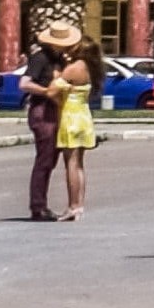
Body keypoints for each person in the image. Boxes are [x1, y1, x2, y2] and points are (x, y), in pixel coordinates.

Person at [19, 19, 82, 224]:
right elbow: (25, 83)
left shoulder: (59, 59)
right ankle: (37, 206)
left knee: (50, 158)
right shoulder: (40, 58)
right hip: (42, 110)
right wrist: (46, 92)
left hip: (56, 110)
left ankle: (41, 204)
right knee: (44, 159)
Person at [54, 36, 103, 219]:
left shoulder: (73, 69)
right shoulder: (91, 70)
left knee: (71, 164)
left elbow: (52, 90)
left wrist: (56, 80)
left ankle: (72, 205)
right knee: (80, 164)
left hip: (71, 116)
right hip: (84, 116)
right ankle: (80, 205)